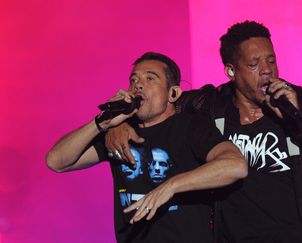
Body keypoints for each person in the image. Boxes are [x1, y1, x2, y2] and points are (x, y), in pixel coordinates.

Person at [106, 21, 302, 243]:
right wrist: (119, 124)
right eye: (254, 64)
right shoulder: (210, 106)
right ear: (231, 71)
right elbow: (157, 107)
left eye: (271, 60)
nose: (267, 70)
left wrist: (299, 122)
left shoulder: (301, 104)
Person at [45, 52, 248, 243]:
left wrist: (171, 186)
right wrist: (100, 123)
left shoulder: (190, 127)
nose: (138, 85)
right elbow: (56, 161)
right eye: (134, 80)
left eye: (150, 78)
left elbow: (235, 165)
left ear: (173, 93)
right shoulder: (118, 134)